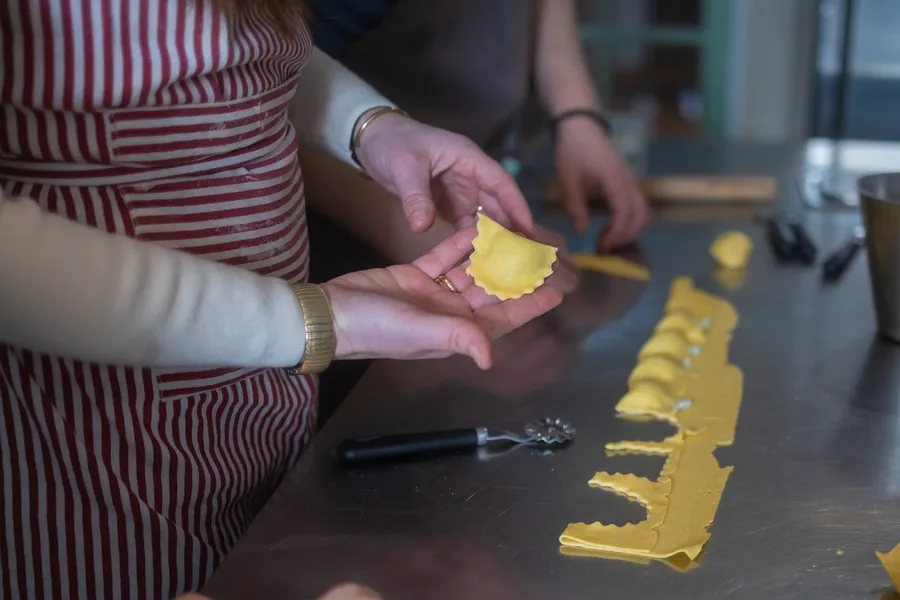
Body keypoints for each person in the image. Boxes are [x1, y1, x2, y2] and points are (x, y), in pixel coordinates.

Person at [0, 1, 563, 599]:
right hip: (87, 423)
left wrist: (371, 127)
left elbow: (231, 45)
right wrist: (311, 321)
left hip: (255, 398)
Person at [304, 0, 651, 262]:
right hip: (362, 226)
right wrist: (411, 231)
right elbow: (280, 98)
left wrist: (577, 118)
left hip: (492, 190)